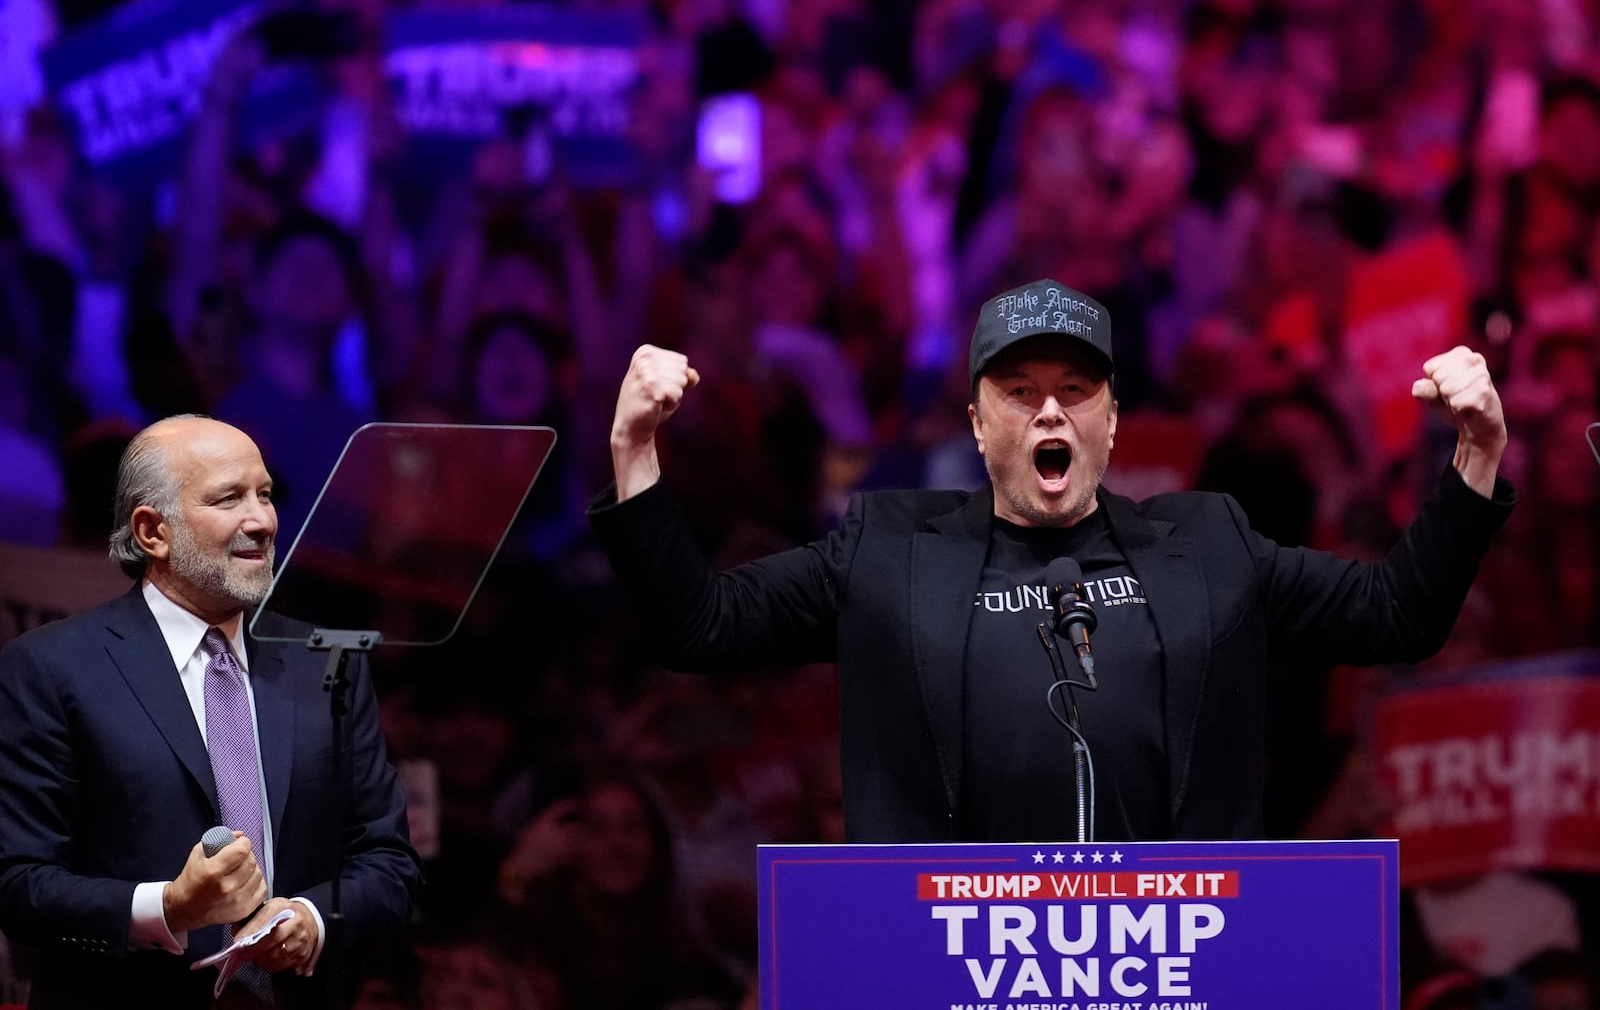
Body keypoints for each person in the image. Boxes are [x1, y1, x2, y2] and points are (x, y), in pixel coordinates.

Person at [589, 278, 1516, 844]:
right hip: (944, 976)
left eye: (1076, 390)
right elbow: (698, 625)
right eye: (1019, 390)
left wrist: (1475, 455)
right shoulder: (885, 551)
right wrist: (636, 452)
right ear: (976, 422)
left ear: (1111, 421)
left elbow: (1401, 613)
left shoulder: (1211, 546)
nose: (1049, 412)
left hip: (1173, 975)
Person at [0, 415, 421, 1008]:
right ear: (152, 532)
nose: (263, 520)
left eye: (266, 494)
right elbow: (17, 887)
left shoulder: (326, 663)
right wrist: (169, 907)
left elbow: (390, 861)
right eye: (230, 498)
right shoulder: (49, 668)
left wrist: (312, 918)